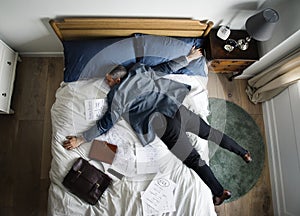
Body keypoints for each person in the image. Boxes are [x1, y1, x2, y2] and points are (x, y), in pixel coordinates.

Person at [63, 46, 252, 205]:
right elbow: (167, 67)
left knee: (194, 160)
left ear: (118, 80)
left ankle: (219, 192)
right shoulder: (140, 70)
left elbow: (105, 124)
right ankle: (243, 152)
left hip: (164, 126)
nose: (107, 82)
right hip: (177, 109)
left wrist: (81, 139)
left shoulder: (116, 96)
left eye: (109, 80)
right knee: (210, 132)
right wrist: (190, 57)